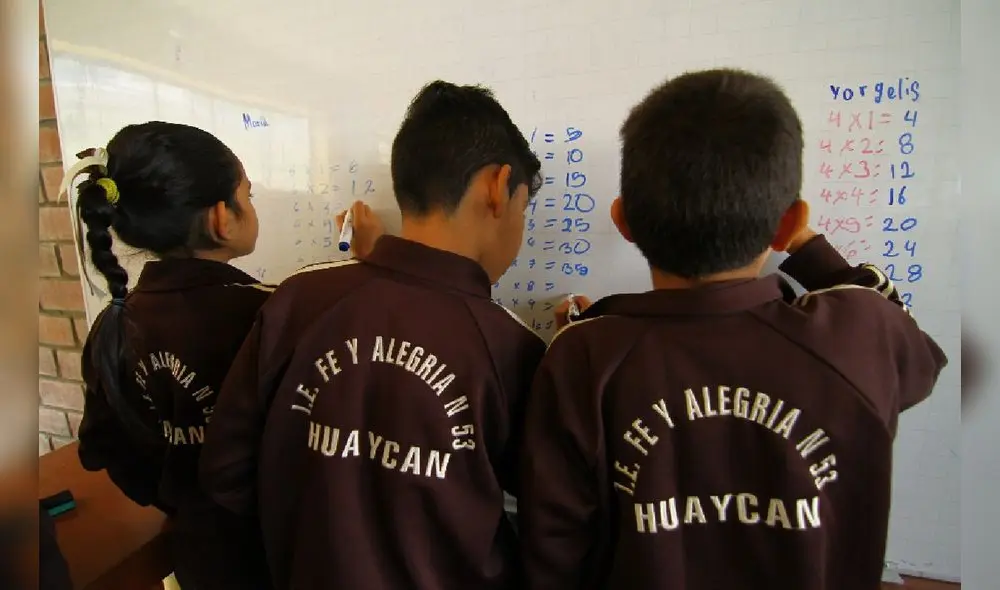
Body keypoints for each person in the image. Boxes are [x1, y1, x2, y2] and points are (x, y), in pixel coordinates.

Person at [518, 69, 948, 590]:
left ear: (623, 220)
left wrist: (584, 337)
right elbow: (920, 351)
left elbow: (555, 548)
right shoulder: (861, 333)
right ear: (788, 225)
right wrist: (810, 248)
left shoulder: (585, 355)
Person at [201, 80, 545, 590]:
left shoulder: (298, 299)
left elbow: (226, 471)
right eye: (522, 208)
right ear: (498, 187)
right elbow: (548, 530)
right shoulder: (509, 347)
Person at [70, 121, 383, 589]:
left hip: (198, 558)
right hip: (281, 556)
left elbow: (101, 448)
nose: (252, 205)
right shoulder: (267, 314)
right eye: (249, 194)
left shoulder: (114, 324)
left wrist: (176, 498)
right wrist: (371, 264)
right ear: (221, 217)